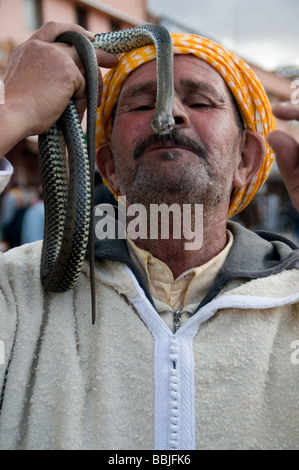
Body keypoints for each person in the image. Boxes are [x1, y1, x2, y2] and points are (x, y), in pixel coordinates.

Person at [0, 21, 298, 450]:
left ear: (247, 159)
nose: (170, 113)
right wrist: (13, 111)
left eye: (199, 101)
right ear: (107, 166)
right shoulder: (17, 292)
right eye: (141, 106)